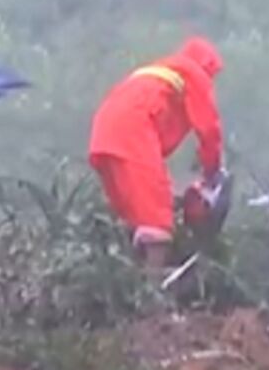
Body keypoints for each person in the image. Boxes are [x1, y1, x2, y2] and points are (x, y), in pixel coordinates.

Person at [87, 36, 225, 269]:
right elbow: (209, 129)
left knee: (132, 213)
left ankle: (128, 278)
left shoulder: (158, 72)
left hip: (103, 131)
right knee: (156, 213)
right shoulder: (193, 74)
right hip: (133, 129)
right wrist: (212, 172)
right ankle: (152, 291)